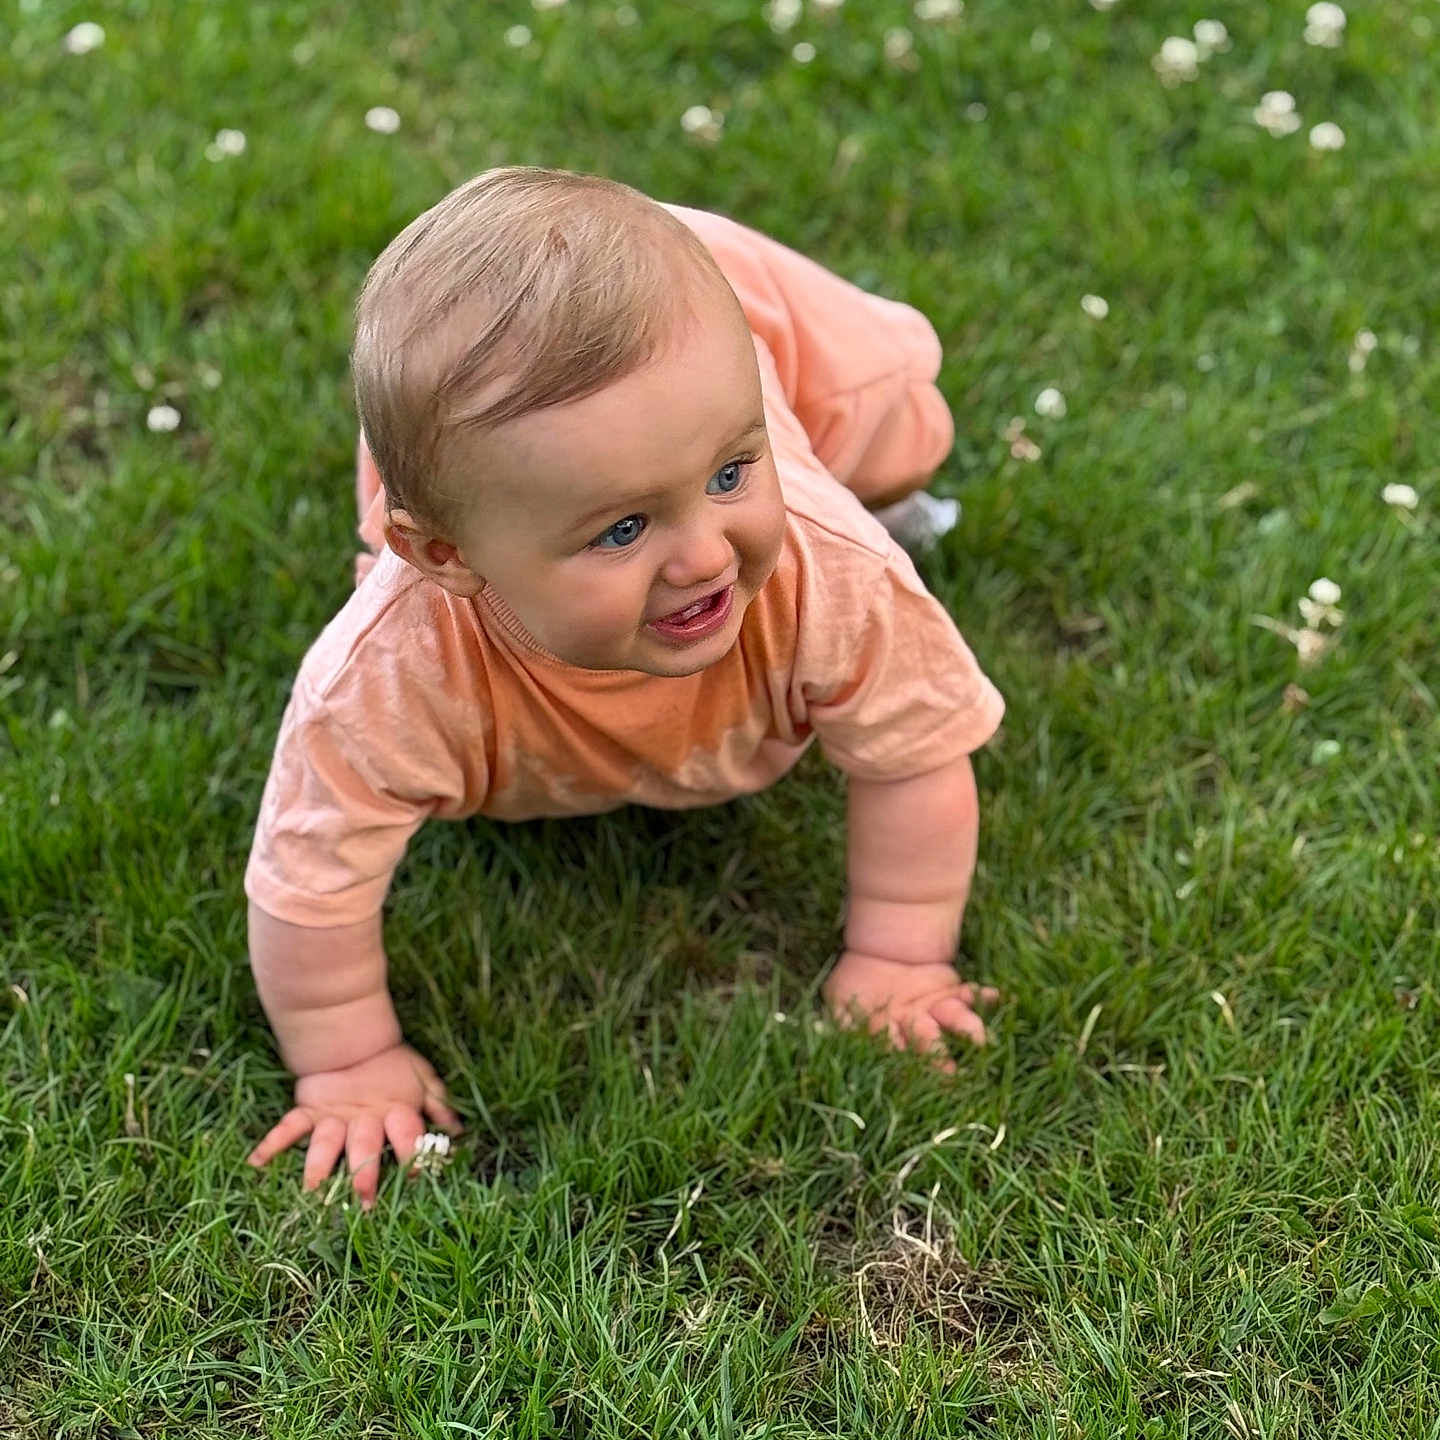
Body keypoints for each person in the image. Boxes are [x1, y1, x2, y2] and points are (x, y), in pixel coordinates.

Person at [243, 167, 1005, 1211]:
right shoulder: (389, 676)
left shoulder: (827, 574)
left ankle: (828, 448)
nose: (703, 556)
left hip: (762, 320)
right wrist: (345, 1063)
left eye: (733, 476)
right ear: (450, 555)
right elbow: (308, 883)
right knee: (452, 449)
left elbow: (917, 751)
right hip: (501, 494)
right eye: (622, 528)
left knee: (906, 423)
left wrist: (900, 954)